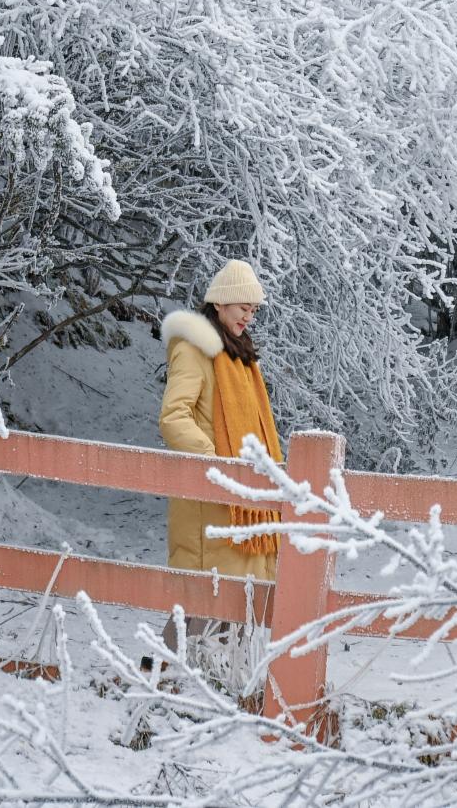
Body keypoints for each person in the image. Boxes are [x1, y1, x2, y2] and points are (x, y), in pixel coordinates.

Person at [154, 261, 284, 676]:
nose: (248, 316)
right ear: (220, 302)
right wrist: (215, 462)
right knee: (206, 598)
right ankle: (167, 670)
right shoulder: (195, 349)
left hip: (242, 501)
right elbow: (174, 417)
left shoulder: (242, 358)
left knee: (236, 599)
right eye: (242, 307)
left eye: (254, 310)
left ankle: (220, 677)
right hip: (211, 502)